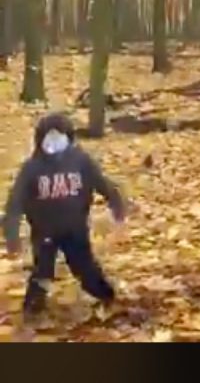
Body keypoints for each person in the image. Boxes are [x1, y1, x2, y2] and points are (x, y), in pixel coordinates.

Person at [2, 113, 125, 316]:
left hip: (75, 229)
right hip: (44, 231)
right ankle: (32, 309)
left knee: (85, 268)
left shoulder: (81, 161)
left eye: (59, 137)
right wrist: (12, 234)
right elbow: (15, 202)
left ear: (69, 137)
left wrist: (116, 203)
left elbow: (102, 183)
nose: (53, 143)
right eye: (48, 137)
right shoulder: (32, 168)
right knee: (42, 271)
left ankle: (106, 295)